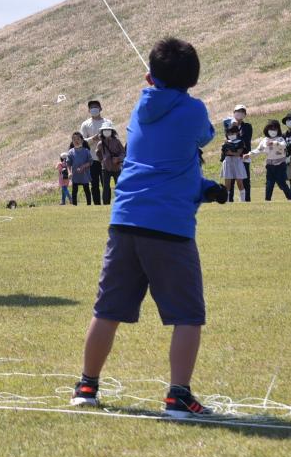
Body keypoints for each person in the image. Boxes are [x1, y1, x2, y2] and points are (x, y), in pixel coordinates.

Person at [70, 36, 225, 418]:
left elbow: (165, 164)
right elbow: (205, 135)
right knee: (188, 316)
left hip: (124, 222)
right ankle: (178, 396)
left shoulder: (140, 107)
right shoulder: (193, 110)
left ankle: (86, 386)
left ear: (149, 75)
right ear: (193, 79)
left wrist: (204, 189)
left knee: (107, 309)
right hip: (170, 228)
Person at [252, 119, 291, 200]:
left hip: (280, 165)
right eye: (271, 129)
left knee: (282, 184)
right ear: (267, 129)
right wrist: (249, 154)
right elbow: (259, 149)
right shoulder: (264, 140)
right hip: (270, 166)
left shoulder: (280, 139)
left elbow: (283, 145)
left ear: (278, 130)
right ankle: (267, 200)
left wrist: (274, 143)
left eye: (275, 129)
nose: (272, 131)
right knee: (269, 184)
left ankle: (290, 199)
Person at [94, 126, 127, 206]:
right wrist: (102, 160)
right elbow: (97, 152)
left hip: (117, 168)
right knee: (105, 187)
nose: (106, 131)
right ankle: (106, 204)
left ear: (112, 131)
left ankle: (120, 202)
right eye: (104, 130)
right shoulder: (100, 143)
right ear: (101, 132)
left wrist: (118, 159)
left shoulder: (117, 141)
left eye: (108, 130)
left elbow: (123, 153)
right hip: (105, 168)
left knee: (119, 186)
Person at [219, 123, 248, 203]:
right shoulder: (225, 142)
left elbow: (239, 153)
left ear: (237, 133)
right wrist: (224, 150)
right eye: (229, 133)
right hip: (227, 162)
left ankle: (243, 200)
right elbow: (223, 154)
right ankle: (227, 200)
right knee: (227, 183)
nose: (231, 135)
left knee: (239, 182)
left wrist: (230, 152)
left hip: (237, 162)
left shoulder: (240, 142)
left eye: (233, 133)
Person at [230, 105, 253, 201]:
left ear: (245, 114)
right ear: (234, 113)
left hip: (244, 156)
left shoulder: (247, 126)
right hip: (231, 156)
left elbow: (246, 140)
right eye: (237, 111)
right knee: (230, 179)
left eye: (242, 111)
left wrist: (236, 135)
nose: (239, 113)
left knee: (245, 179)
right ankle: (229, 200)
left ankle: (246, 200)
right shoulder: (228, 125)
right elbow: (228, 139)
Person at [66, 132, 95, 205]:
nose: (76, 141)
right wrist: (69, 172)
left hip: (85, 175)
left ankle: (89, 205)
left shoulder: (86, 151)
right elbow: (68, 163)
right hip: (75, 175)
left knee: (86, 190)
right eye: (74, 139)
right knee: (74, 191)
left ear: (82, 140)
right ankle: (74, 205)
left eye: (78, 139)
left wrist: (83, 167)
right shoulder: (70, 152)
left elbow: (90, 162)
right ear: (72, 141)